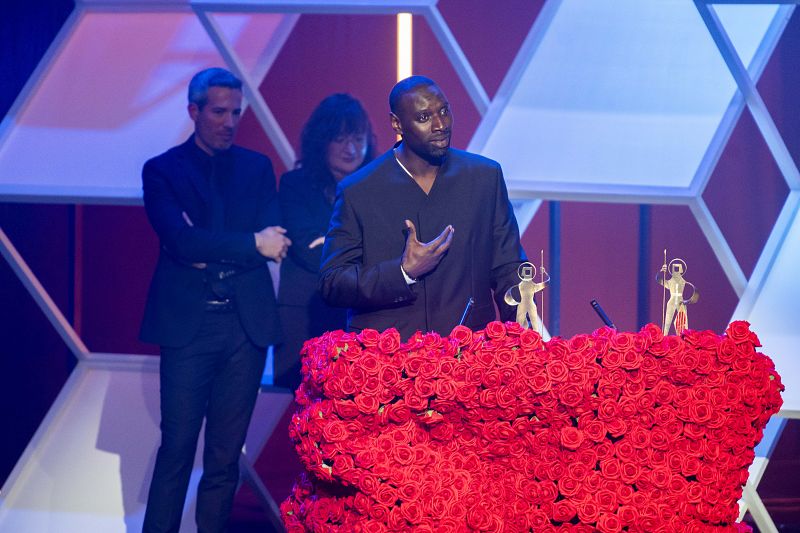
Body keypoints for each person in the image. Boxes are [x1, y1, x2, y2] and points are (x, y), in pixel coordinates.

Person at [139, 67, 290, 533]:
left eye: (236, 113)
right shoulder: (162, 170)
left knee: (226, 457)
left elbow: (276, 240)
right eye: (219, 112)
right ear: (194, 111)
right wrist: (249, 244)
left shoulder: (257, 167)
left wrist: (209, 246)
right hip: (189, 327)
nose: (229, 122)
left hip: (245, 328)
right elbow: (182, 242)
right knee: (178, 449)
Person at [319, 75, 526, 340]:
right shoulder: (359, 190)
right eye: (424, 118)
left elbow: (507, 267)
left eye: (444, 111)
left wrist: (524, 337)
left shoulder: (484, 177)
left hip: (468, 354)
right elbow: (332, 282)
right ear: (397, 123)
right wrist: (403, 272)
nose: (440, 125)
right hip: (390, 358)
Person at [275, 93, 376, 389]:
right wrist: (363, 254)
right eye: (341, 139)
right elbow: (308, 247)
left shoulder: (378, 186)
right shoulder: (296, 184)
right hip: (303, 317)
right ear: (322, 141)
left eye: (358, 138)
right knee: (305, 416)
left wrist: (331, 242)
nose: (352, 149)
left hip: (361, 318)